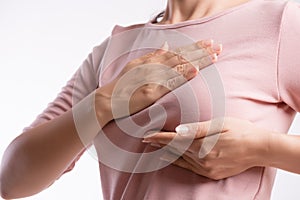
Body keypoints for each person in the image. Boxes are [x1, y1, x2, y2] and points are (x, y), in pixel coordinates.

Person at [1, 0, 300, 199]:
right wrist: (105, 102)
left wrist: (263, 147)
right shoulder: (115, 48)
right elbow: (12, 180)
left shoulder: (281, 25)